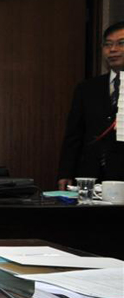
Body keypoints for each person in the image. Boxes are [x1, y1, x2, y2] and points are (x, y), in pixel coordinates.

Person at [57, 21, 124, 189]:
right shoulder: (87, 88)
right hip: (91, 177)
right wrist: (66, 172)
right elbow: (74, 134)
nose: (113, 49)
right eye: (108, 44)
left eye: (121, 43)